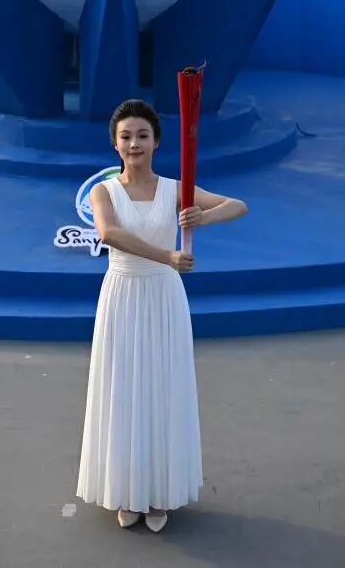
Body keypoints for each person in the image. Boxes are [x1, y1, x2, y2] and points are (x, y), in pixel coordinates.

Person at [75, 99, 248, 533]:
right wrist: (167, 256)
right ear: (115, 145)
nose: (134, 143)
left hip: (163, 298)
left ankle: (158, 494)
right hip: (122, 294)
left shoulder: (174, 189)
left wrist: (202, 217)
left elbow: (237, 205)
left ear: (156, 142)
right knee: (124, 388)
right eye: (126, 137)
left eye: (142, 135)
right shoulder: (103, 192)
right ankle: (126, 491)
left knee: (160, 387)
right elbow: (109, 233)